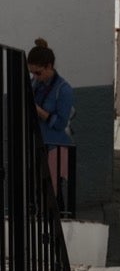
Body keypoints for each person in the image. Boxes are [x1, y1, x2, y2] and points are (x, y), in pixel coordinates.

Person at [28, 38, 75, 197]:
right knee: (38, 191)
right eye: (32, 72)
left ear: (49, 67)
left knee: (52, 194)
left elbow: (61, 123)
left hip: (56, 147)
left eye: (38, 72)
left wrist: (39, 111)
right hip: (39, 144)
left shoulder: (63, 89)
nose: (35, 76)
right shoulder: (36, 83)